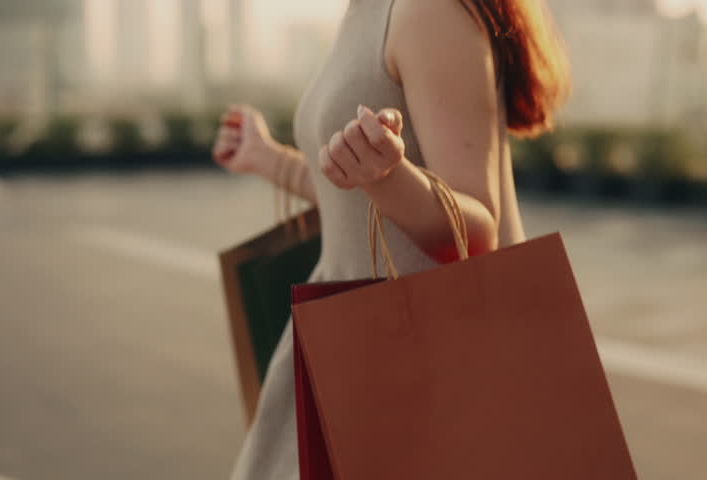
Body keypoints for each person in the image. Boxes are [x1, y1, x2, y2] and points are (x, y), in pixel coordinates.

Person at [212, 0, 570, 478]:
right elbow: (355, 202)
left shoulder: (429, 11)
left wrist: (387, 176)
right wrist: (268, 159)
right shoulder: (365, 11)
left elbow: (477, 232)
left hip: (417, 368)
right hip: (357, 349)